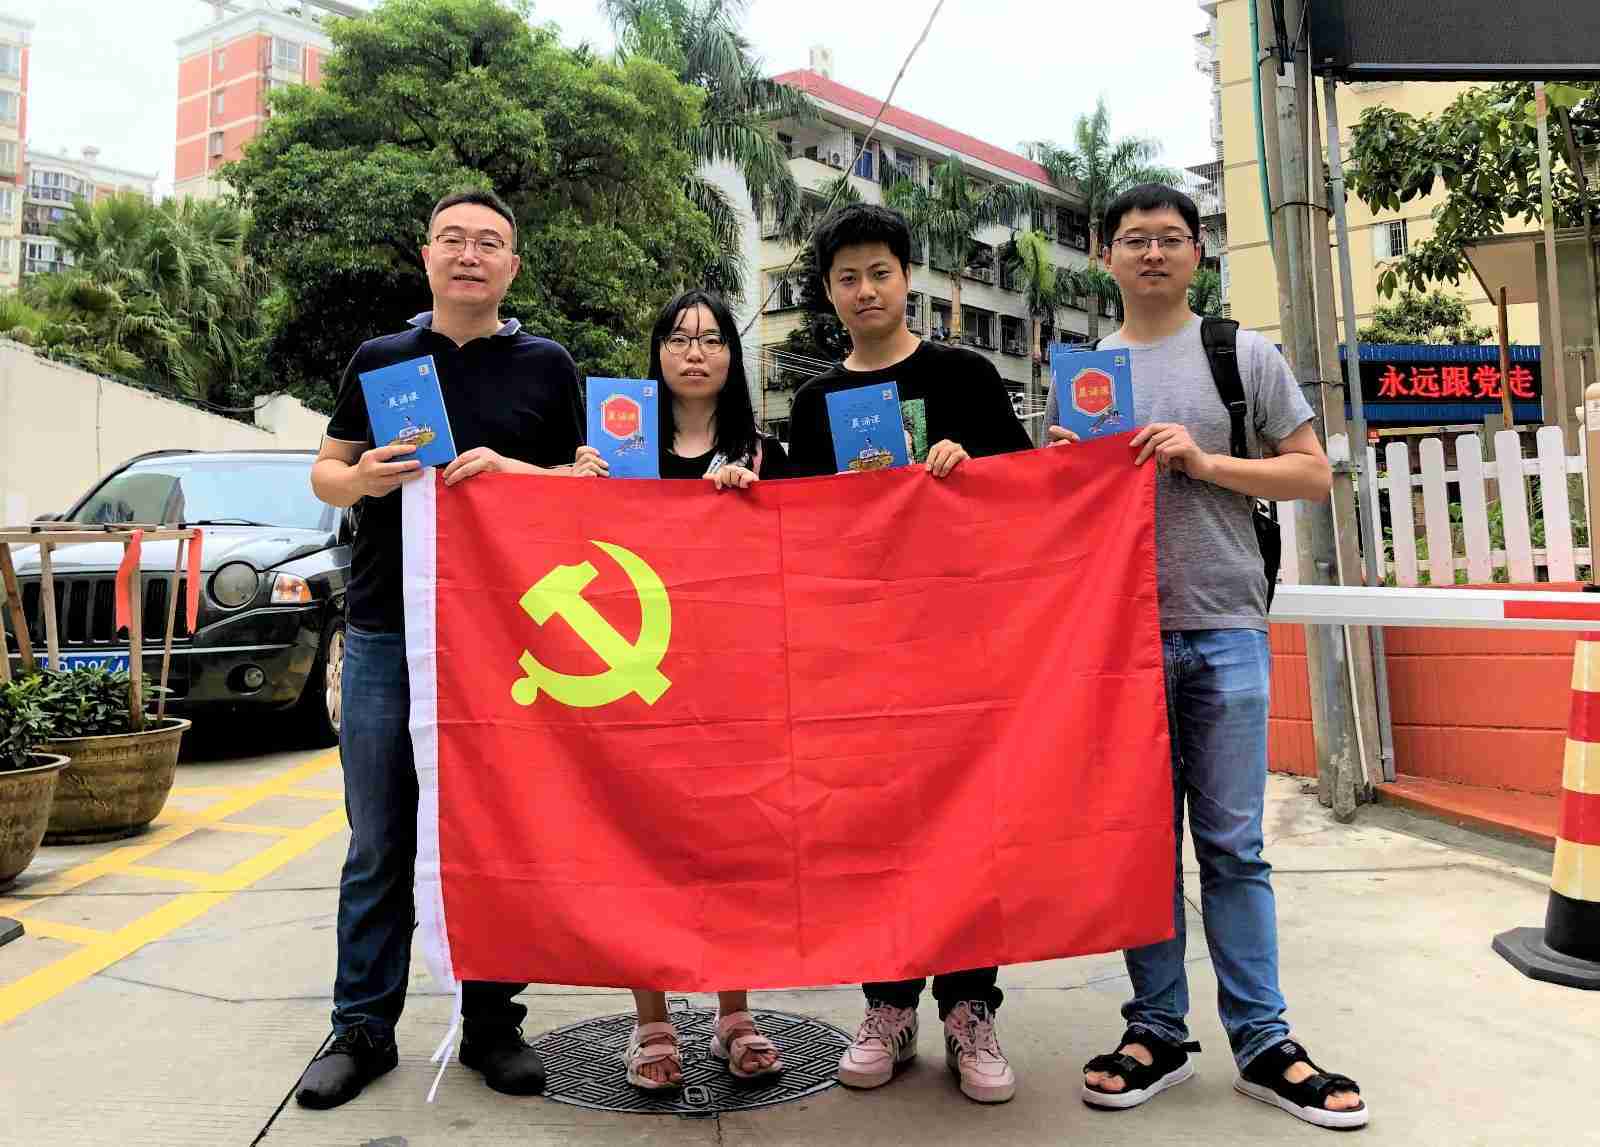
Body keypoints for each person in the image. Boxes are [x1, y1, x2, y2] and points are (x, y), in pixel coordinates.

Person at [1045, 184, 1365, 1131]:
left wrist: (1204, 460)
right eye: (1134, 239)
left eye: (1171, 238)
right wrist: (1066, 471)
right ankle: (1157, 1030)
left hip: (1224, 627)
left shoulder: (1240, 354)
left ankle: (1264, 1040)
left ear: (1197, 253)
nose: (1152, 253)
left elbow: (1312, 471)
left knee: (1233, 847)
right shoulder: (1085, 372)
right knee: (1142, 848)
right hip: (1122, 643)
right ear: (1105, 254)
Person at [298, 189, 584, 1110]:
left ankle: (493, 1022)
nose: (470, 255)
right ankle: (361, 1027)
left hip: (504, 639)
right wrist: (362, 477)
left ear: (512, 266)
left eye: (488, 242)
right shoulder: (381, 359)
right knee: (380, 835)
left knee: (493, 828)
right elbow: (325, 471)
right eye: (453, 239)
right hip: (386, 628)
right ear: (426, 256)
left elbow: (584, 486)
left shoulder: (547, 366)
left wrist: (514, 471)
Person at [785, 202, 1032, 1106]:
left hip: (962, 646)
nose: (865, 290)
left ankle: (970, 1008)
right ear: (828, 293)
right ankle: (888, 1003)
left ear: (906, 277)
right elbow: (793, 526)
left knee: (969, 825)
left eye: (879, 272)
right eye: (847, 277)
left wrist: (975, 469)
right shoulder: (814, 403)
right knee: (877, 827)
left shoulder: (965, 374)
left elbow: (1031, 493)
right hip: (861, 654)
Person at [572, 288, 788, 1089]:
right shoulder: (616, 449)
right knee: (640, 842)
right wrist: (572, 482)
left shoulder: (766, 453)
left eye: (711, 338)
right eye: (678, 337)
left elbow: (803, 550)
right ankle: (652, 1020)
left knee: (733, 843)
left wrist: (754, 503)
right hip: (637, 684)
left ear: (732, 355)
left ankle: (736, 1013)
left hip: (734, 682)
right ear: (657, 352)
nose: (695, 352)